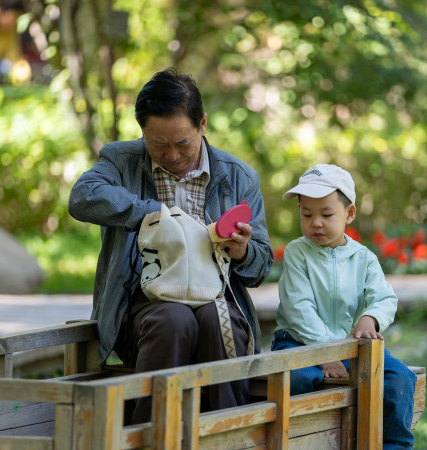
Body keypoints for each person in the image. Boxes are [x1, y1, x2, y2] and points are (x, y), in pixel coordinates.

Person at [68, 68, 273, 424]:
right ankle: (151, 435)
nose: (173, 155)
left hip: (216, 298)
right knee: (173, 319)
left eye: (183, 143)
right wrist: (155, 214)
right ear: (143, 132)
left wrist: (242, 251)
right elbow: (82, 198)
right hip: (144, 306)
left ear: (203, 124)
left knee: (216, 319)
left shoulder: (238, 176)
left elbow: (261, 267)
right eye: (158, 144)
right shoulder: (120, 161)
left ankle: (227, 435)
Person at [272, 164, 416, 449]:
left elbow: (384, 298)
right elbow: (298, 307)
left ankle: (393, 445)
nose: (316, 223)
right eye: (307, 214)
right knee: (299, 377)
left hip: (351, 348)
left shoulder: (363, 257)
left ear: (349, 213)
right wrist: (325, 351)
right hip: (299, 344)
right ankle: (302, 441)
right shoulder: (297, 253)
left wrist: (369, 320)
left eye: (326, 214)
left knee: (400, 377)